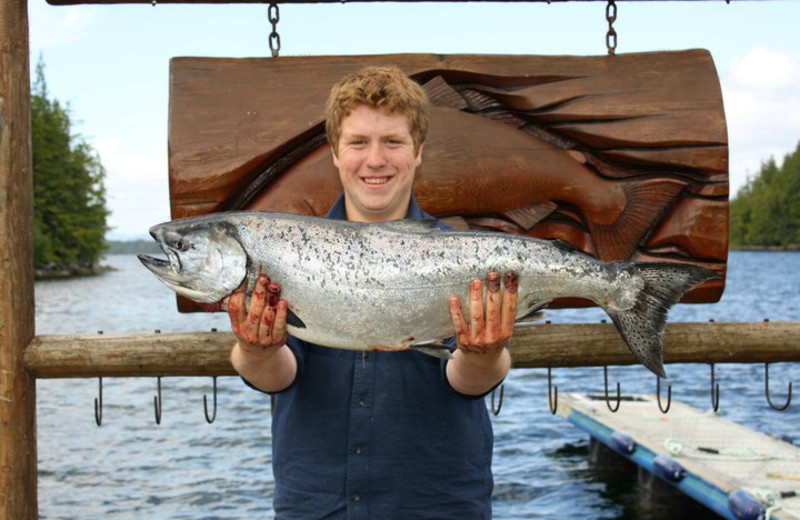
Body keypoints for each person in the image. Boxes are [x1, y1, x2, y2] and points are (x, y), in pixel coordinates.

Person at [228, 66, 518, 520]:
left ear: (418, 152)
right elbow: (277, 377)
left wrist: (484, 356)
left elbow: (467, 380)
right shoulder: (287, 254)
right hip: (317, 502)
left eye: (393, 142)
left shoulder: (464, 257)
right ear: (336, 153)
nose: (375, 159)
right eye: (358, 142)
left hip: (438, 501)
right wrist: (257, 351)